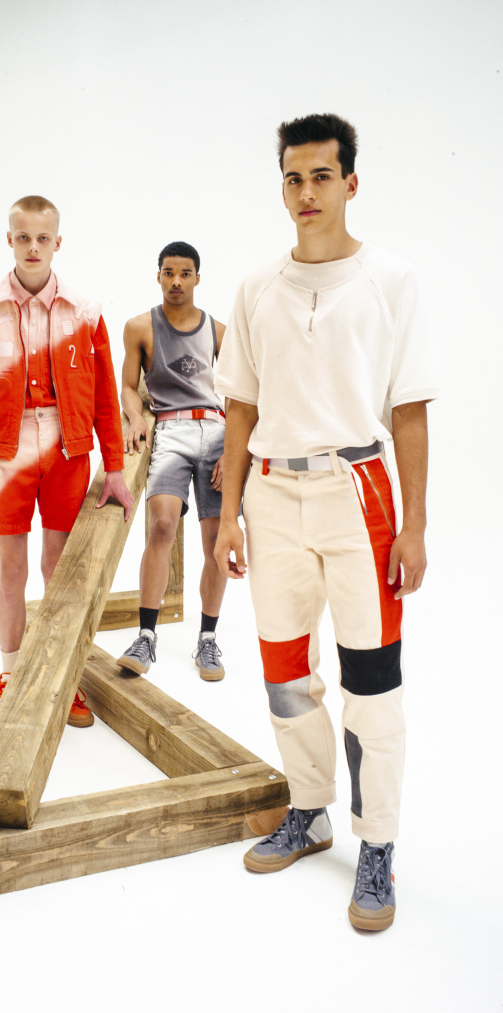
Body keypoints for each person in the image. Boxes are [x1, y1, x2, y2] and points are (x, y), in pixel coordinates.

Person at [214, 114, 438, 931]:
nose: (305, 192)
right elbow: (239, 408)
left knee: (370, 682)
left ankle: (376, 843)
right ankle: (308, 811)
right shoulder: (255, 288)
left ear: (350, 182)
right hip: (271, 493)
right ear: (281, 187)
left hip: (356, 491)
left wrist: (414, 526)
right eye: (292, 178)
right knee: (284, 673)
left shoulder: (391, 280)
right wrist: (228, 515)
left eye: (320, 176)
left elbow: (407, 410)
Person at [0, 195, 132, 729]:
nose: (33, 247)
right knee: (11, 570)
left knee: (59, 571)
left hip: (66, 449)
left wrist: (115, 466)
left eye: (43, 238)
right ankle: (10, 677)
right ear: (9, 240)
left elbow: (104, 396)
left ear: (58, 242)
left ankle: (61, 676)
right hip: (4, 455)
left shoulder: (85, 312)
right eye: (23, 237)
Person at [116, 241, 228, 681]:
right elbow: (128, 386)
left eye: (185, 273)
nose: (176, 281)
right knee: (162, 525)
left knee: (216, 542)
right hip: (171, 430)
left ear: (198, 278)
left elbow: (241, 397)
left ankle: (208, 639)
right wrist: (133, 418)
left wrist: (234, 451)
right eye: (169, 273)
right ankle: (146, 636)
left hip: (215, 431)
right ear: (158, 275)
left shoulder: (219, 331)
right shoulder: (139, 327)